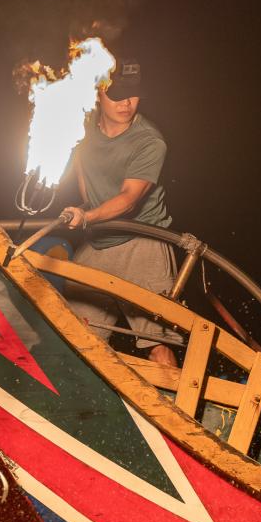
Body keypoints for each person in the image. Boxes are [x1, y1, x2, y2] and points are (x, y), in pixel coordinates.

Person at [56, 60, 178, 367]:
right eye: (118, 94)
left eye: (134, 95)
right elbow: (86, 181)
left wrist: (87, 217)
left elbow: (128, 200)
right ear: (98, 93)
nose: (127, 102)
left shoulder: (150, 141)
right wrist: (86, 209)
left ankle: (174, 411)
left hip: (143, 243)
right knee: (71, 335)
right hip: (99, 244)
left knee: (157, 345)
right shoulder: (82, 127)